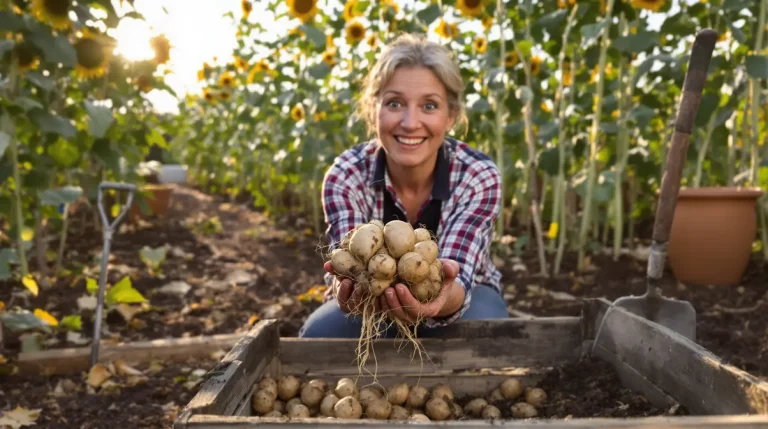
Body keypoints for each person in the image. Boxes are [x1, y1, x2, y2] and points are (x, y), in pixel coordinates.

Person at [299, 33, 508, 338]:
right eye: (395, 103)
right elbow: (352, 266)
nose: (410, 123)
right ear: (374, 110)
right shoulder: (345, 175)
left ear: (451, 116)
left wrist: (439, 300)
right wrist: (353, 290)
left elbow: (455, 276)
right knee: (319, 336)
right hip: (371, 304)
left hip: (465, 296)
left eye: (429, 106)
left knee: (492, 333)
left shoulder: (478, 174)